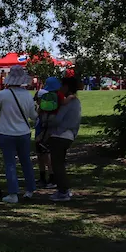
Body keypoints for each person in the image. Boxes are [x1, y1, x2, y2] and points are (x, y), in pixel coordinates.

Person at [0, 65, 38, 203]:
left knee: (10, 163)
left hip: (6, 133)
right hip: (23, 132)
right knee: (26, 161)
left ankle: (13, 193)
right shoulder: (27, 96)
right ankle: (30, 189)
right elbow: (33, 116)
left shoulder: (2, 95)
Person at [47, 74, 82, 202]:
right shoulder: (76, 101)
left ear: (66, 87)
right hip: (69, 135)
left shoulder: (67, 102)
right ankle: (63, 189)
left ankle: (63, 191)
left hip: (60, 135)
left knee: (57, 164)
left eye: (62, 85)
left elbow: (57, 120)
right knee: (59, 163)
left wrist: (47, 119)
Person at [33, 76, 63, 188]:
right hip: (51, 127)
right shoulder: (60, 97)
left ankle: (47, 178)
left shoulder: (46, 95)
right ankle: (50, 177)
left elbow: (40, 111)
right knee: (46, 153)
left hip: (43, 127)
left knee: (43, 154)